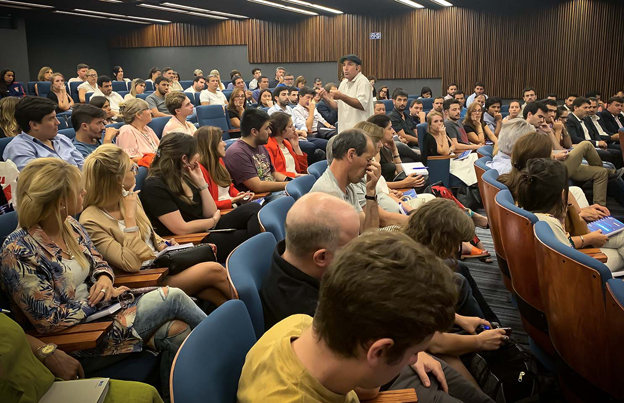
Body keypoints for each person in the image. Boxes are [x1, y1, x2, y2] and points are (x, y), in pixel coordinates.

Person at [1, 158, 207, 401]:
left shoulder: (70, 225)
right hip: (76, 337)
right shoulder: (18, 251)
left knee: (177, 332)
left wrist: (105, 279)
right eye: (78, 190)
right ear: (60, 201)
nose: (84, 192)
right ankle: (226, 347)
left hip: (104, 314)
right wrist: (98, 300)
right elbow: (49, 320)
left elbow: (99, 262)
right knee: (172, 297)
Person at [259, 193, 495, 403]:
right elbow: (365, 388)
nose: (360, 248)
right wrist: (412, 352)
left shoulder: (298, 312)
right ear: (321, 257)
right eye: (352, 242)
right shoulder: (298, 306)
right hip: (377, 376)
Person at [237, 231, 458, 403]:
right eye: (414, 353)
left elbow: (368, 390)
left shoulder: (297, 323)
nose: (414, 360)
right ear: (378, 351)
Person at [80, 144, 235, 306]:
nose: (136, 172)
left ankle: (243, 314)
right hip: (141, 279)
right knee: (214, 270)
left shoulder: (129, 197)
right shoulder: (91, 220)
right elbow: (130, 264)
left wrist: (164, 244)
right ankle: (249, 308)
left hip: (161, 266)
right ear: (118, 179)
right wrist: (130, 218)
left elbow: (150, 236)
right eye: (132, 169)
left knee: (212, 292)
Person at [140, 133, 261, 262]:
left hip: (205, 227)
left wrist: (201, 183)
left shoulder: (186, 175)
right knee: (249, 236)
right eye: (196, 152)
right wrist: (213, 221)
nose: (198, 156)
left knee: (253, 208)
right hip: (192, 239)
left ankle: (255, 260)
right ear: (184, 158)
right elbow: (181, 228)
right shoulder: (155, 185)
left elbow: (210, 211)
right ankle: (257, 261)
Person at [0, 313, 164, 403]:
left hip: (46, 383)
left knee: (146, 394)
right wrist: (92, 302)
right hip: (84, 328)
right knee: (172, 301)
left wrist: (47, 351)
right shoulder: (16, 261)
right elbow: (49, 318)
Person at [516, 158, 624, 273]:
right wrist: (587, 239)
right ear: (561, 196)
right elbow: (568, 257)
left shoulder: (526, 213)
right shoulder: (550, 224)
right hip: (576, 273)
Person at [311, 129, 381, 231]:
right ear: (351, 155)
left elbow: (367, 232)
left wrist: (371, 192)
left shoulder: (347, 186)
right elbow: (368, 236)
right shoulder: (329, 196)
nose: (370, 166)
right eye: (368, 160)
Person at [3, 96, 84, 170]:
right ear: (34, 125)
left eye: (55, 117)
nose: (58, 122)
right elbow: (37, 179)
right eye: (51, 118)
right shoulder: (18, 148)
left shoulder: (62, 139)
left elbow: (83, 167)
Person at [224, 108, 290, 193]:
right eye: (266, 128)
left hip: (274, 192)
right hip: (262, 197)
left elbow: (274, 173)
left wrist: (291, 181)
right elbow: (258, 186)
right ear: (254, 132)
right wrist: (289, 185)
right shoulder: (237, 153)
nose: (270, 132)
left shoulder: (260, 145)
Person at [196, 126, 255, 210]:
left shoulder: (219, 161)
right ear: (210, 145)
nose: (225, 144)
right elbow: (208, 205)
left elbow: (230, 187)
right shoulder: (199, 170)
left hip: (233, 207)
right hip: (221, 212)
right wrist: (233, 200)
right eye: (220, 141)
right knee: (254, 208)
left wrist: (241, 196)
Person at [318, 54, 374, 133]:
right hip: (344, 131)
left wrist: (341, 96)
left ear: (358, 68)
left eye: (350, 64)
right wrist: (326, 98)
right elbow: (337, 106)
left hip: (360, 132)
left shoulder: (363, 81)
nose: (345, 68)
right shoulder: (343, 83)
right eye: (344, 65)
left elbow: (361, 104)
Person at [426, 111, 478, 186]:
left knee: (474, 156)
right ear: (430, 125)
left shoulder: (442, 133)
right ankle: (471, 184)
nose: (439, 123)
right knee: (468, 166)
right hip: (443, 163)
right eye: (436, 121)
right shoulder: (430, 137)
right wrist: (443, 136)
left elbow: (453, 146)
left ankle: (475, 184)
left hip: (452, 157)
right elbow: (445, 153)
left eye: (441, 121)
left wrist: (449, 150)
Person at [566, 97, 621, 167]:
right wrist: (597, 143)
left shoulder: (586, 118)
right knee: (610, 154)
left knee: (617, 153)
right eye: (585, 108)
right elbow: (574, 139)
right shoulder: (570, 120)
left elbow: (594, 133)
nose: (588, 110)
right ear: (576, 108)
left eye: (588, 108)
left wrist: (601, 143)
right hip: (582, 148)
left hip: (593, 145)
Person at [116, 98, 160, 163]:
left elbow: (160, 149)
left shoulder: (147, 129)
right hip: (143, 167)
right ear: (138, 115)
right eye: (147, 109)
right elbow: (129, 159)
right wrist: (154, 160)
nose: (151, 111)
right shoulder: (127, 130)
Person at [266, 111, 308, 178]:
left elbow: (303, 169)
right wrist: (296, 176)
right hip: (285, 182)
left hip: (296, 179)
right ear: (280, 130)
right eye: (290, 126)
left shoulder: (286, 143)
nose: (294, 129)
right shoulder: (268, 146)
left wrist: (296, 147)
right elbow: (273, 174)